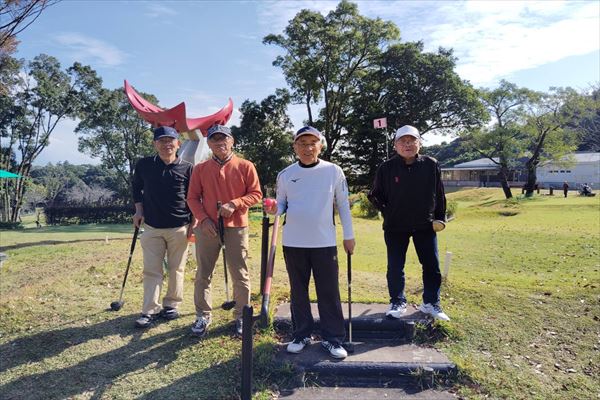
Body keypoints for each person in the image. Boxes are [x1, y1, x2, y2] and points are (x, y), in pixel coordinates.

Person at [264, 126, 355, 359]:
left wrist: (349, 235)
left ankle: (332, 339)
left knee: (328, 291)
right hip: (294, 242)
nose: (307, 148)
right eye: (302, 144)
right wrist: (275, 209)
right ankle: (301, 335)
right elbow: (282, 204)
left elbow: (343, 204)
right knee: (298, 291)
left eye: (312, 143)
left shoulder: (333, 171)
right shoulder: (285, 174)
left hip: (324, 241)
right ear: (295, 147)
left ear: (320, 146)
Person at [368, 125, 450, 322]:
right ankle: (397, 301)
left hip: (425, 225)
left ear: (419, 143)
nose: (407, 145)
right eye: (403, 141)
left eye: (412, 140)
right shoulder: (386, 168)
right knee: (395, 266)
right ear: (395, 145)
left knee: (432, 266)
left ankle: (431, 302)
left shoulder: (431, 164)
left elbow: (439, 193)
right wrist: (388, 211)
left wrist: (440, 217)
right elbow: (374, 195)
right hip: (395, 226)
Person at [187, 124, 262, 337]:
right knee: (203, 273)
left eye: (224, 138)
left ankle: (242, 316)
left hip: (236, 227)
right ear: (209, 143)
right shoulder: (200, 169)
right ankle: (202, 316)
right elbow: (192, 198)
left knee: (240, 273)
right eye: (214, 139)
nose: (220, 142)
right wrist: (203, 219)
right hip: (208, 228)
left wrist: (235, 204)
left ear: (232, 141)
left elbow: (256, 194)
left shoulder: (246, 166)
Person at [131, 126, 194, 328]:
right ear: (155, 144)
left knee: (177, 269)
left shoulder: (188, 168)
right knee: (152, 270)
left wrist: (194, 223)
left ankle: (171, 305)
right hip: (152, 226)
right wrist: (138, 211)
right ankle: (149, 310)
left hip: (180, 227)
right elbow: (136, 189)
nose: (167, 144)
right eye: (162, 141)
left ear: (178, 144)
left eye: (170, 141)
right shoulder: (144, 165)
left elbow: (194, 197)